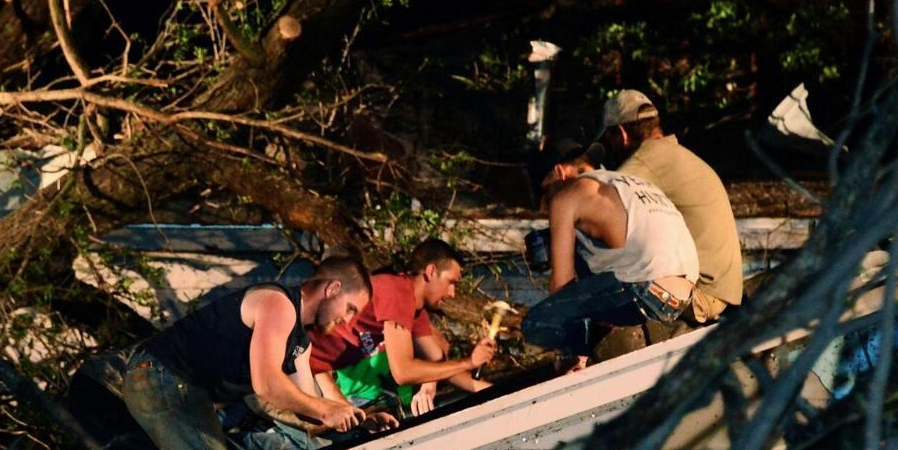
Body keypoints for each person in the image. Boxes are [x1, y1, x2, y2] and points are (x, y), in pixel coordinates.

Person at [116, 256, 375, 450]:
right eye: (350, 308)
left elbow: (307, 406)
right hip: (161, 374)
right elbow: (267, 384)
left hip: (185, 389)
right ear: (333, 289)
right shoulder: (277, 303)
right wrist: (324, 410)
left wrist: (361, 420)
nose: (347, 320)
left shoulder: (301, 345)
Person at [521, 156, 698, 369]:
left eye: (545, 196)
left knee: (536, 323)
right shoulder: (623, 182)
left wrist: (565, 351)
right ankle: (587, 349)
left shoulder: (566, 197)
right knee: (581, 244)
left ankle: (575, 362)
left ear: (560, 171)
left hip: (645, 291)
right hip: (682, 296)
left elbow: (561, 288)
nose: (546, 207)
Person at [596, 89, 743, 325]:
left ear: (622, 134)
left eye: (609, 138)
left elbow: (597, 208)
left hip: (702, 295)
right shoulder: (673, 155)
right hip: (722, 289)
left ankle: (580, 352)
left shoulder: (644, 163)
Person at [310, 239, 495, 417]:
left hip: (325, 376)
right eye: (451, 282)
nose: (452, 293)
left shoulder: (416, 309)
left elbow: (439, 362)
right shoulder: (397, 292)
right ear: (431, 271)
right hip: (303, 374)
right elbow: (403, 372)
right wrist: (469, 362)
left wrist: (495, 392)